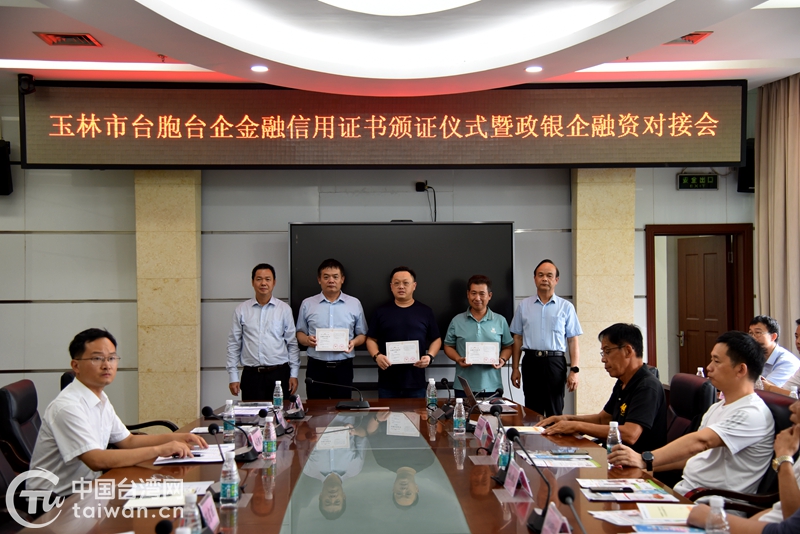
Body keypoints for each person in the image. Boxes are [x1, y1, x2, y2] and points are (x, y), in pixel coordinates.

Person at [27, 329, 208, 496]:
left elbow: (128, 441)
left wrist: (178, 438)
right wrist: (160, 450)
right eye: (97, 358)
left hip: (90, 489)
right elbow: (96, 460)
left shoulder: (100, 398)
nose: (107, 365)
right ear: (76, 366)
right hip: (56, 500)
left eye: (112, 358)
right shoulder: (67, 407)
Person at [608, 331, 774, 497]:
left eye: (716, 361)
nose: (709, 367)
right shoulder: (717, 407)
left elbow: (702, 442)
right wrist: (644, 466)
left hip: (712, 503)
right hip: (685, 492)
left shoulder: (752, 413)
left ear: (740, 369)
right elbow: (693, 455)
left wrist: (645, 458)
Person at [540, 323, 667, 453]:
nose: (603, 359)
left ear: (628, 351)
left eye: (607, 351)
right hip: (614, 456)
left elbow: (630, 434)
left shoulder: (647, 386)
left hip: (636, 462)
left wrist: (577, 426)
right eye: (603, 353)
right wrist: (567, 419)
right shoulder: (623, 382)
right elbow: (603, 419)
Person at [688, 399, 800, 532]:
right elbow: (780, 510)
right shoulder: (716, 407)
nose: (792, 407)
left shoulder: (753, 413)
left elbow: (792, 526)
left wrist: (784, 458)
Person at [509, 259, 582, 416]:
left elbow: (572, 340)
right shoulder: (524, 305)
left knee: (554, 409)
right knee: (532, 411)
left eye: (549, 275)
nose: (544, 279)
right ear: (534, 278)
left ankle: (554, 434)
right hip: (531, 362)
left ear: (556, 280)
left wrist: (574, 370)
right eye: (540, 275)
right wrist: (515, 369)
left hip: (555, 363)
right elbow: (517, 338)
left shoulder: (566, 307)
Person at [296, 258, 368, 400]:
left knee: (343, 409)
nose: (331, 281)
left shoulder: (354, 303)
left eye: (335, 277)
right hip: (316, 367)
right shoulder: (307, 304)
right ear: (319, 279)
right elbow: (300, 333)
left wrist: (354, 342)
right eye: (326, 277)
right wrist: (307, 340)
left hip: (343, 368)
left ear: (342, 279)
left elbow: (362, 334)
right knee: (316, 409)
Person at [226, 263, 300, 401]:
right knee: (251, 414)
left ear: (274, 282)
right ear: (252, 282)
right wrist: (233, 376)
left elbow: (292, 344)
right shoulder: (241, 310)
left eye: (267, 279)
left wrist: (294, 374)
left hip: (279, 374)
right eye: (259, 279)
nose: (263, 283)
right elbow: (234, 344)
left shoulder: (284, 309)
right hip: (251, 376)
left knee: (281, 413)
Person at [366, 266, 442, 398]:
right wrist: (376, 356)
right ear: (391, 286)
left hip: (416, 382)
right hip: (387, 382)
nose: (401, 286)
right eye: (396, 283)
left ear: (414, 286)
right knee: (387, 412)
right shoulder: (381, 312)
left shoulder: (425, 311)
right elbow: (371, 339)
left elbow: (436, 339)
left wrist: (430, 357)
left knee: (417, 413)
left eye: (406, 283)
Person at [443, 274, 513, 398]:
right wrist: (458, 359)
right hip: (463, 386)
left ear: (489, 295)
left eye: (482, 294)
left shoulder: (500, 320)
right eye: (474, 293)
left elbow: (508, 347)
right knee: (462, 412)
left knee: (492, 412)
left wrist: (502, 359)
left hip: (493, 386)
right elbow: (448, 346)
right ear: (468, 294)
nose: (477, 298)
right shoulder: (457, 320)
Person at [749, 315, 799, 387]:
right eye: (751, 333)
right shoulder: (752, 357)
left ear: (773, 337)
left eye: (758, 332)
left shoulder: (787, 361)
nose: (752, 338)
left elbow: (765, 389)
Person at [762, 319, 800, 396]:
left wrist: (769, 388)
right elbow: (786, 392)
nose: (798, 341)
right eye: (796, 337)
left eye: (758, 332)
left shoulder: (788, 361)